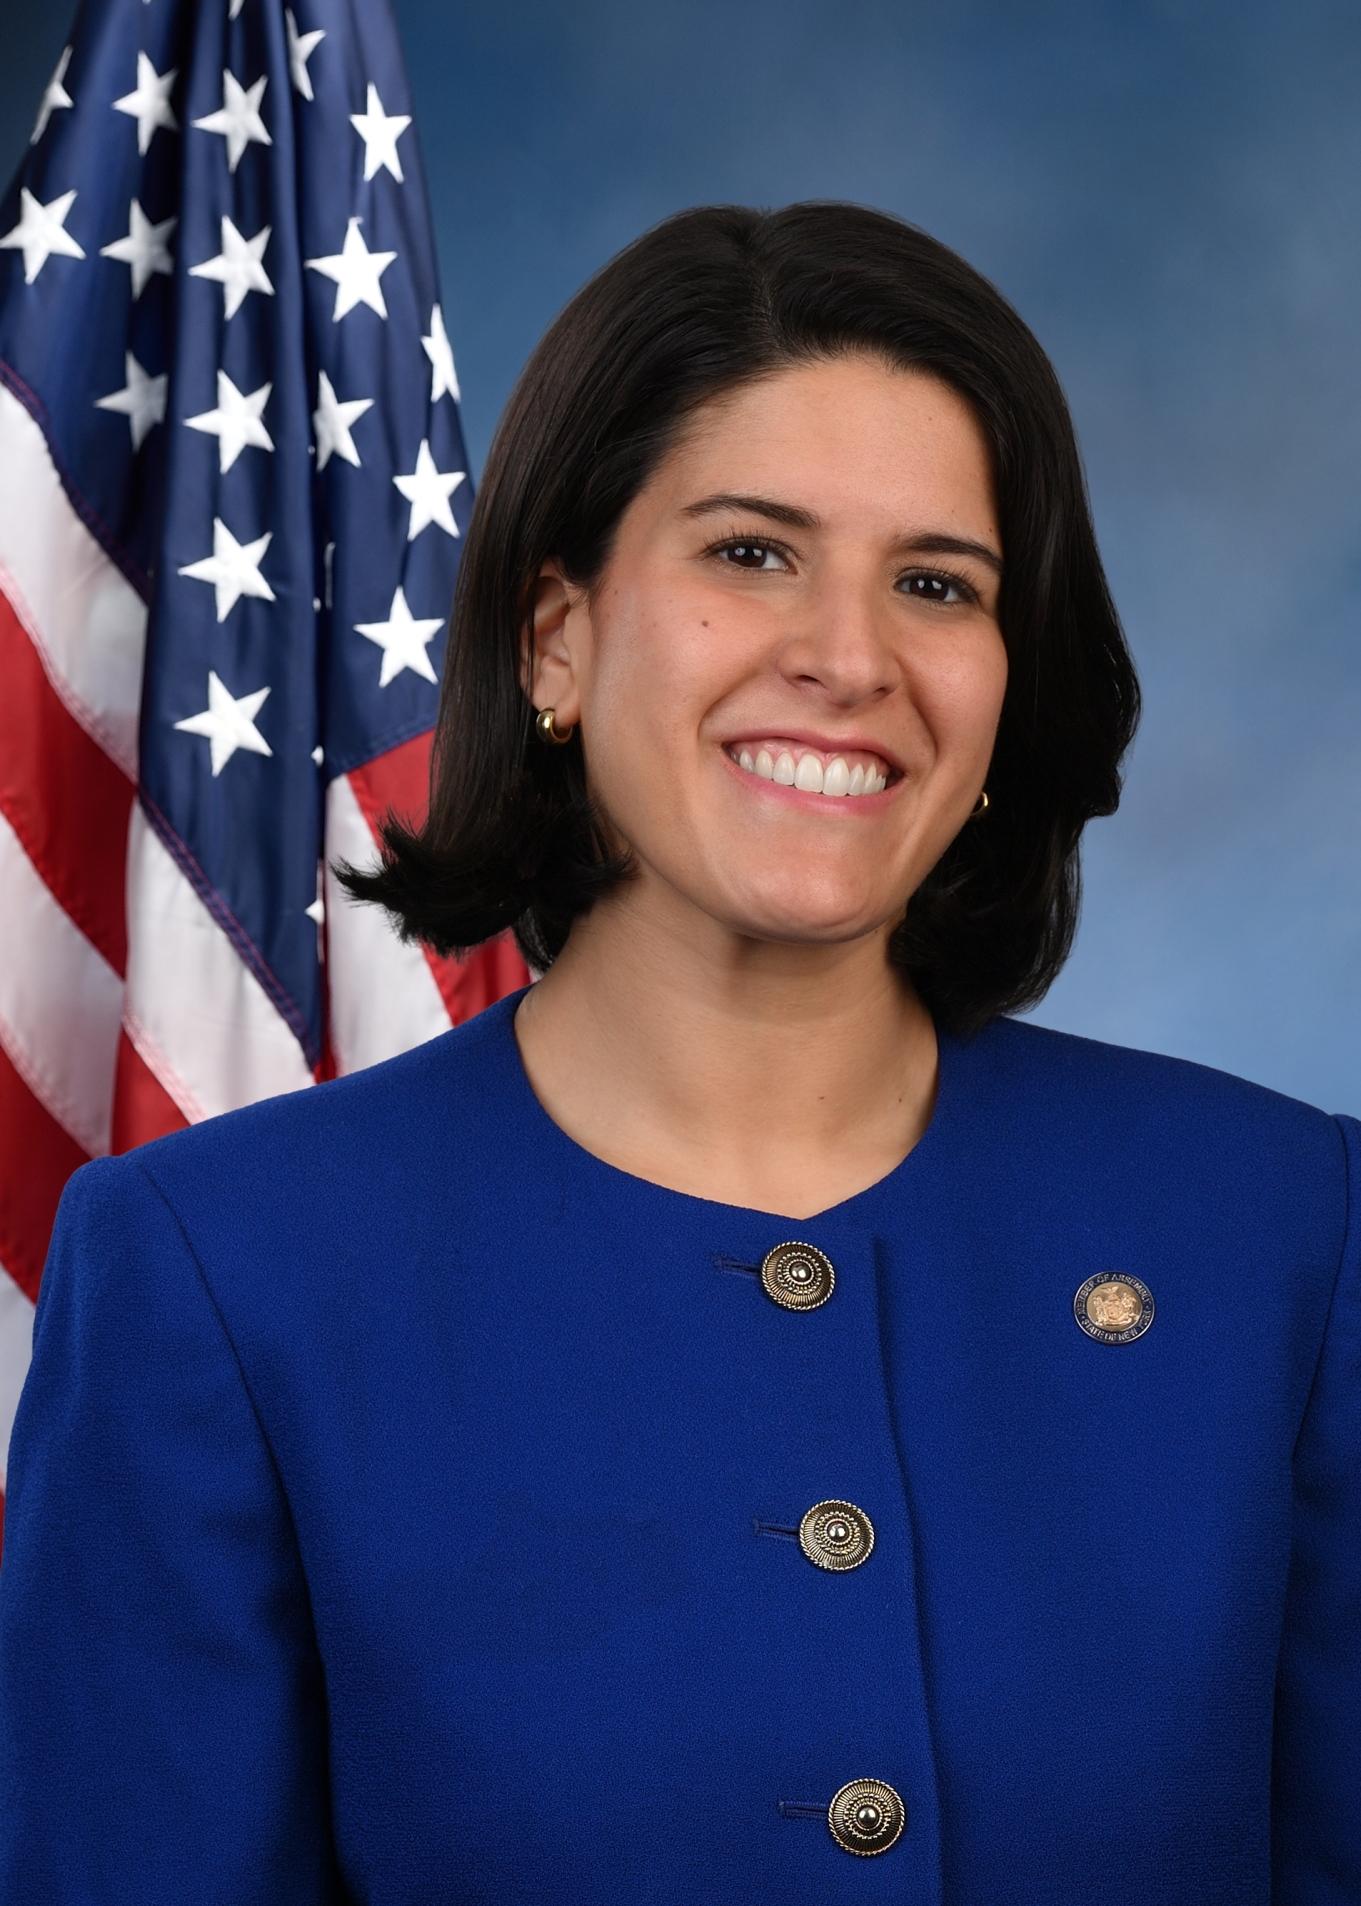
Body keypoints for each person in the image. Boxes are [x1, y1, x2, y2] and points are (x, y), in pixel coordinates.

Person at [1, 202, 1356, 1905]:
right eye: (750, 554)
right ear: (554, 638)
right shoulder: (219, 1269)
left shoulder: (1285, 1226)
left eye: (934, 583)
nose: (848, 658)